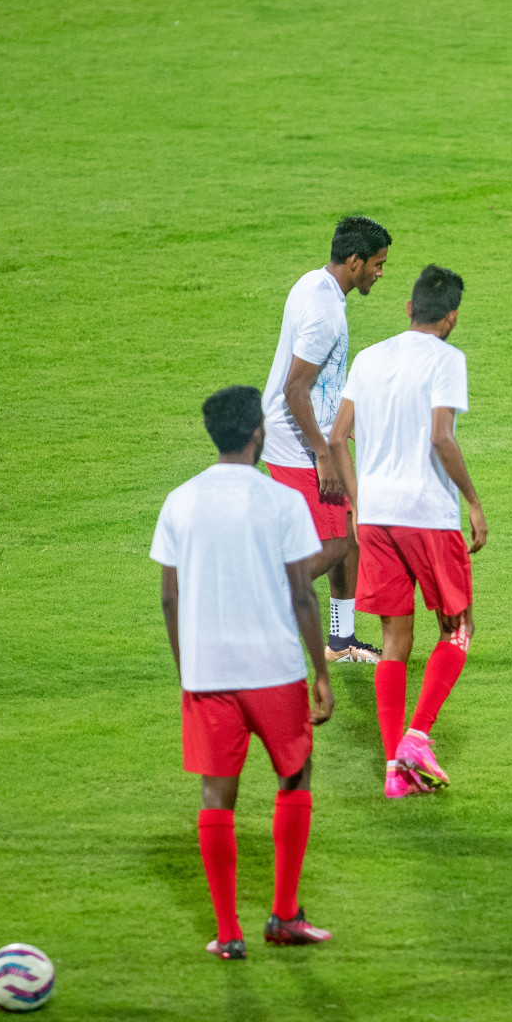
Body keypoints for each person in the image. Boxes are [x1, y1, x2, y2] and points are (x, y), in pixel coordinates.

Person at [151, 386, 336, 961]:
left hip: (209, 675)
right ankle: (283, 915)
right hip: (274, 670)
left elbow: (169, 598)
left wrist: (189, 672)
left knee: (216, 796)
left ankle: (228, 933)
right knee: (295, 775)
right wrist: (321, 673)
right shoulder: (280, 501)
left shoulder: (180, 501)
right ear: (258, 432)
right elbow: (304, 594)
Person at [328, 265, 487, 798]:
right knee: (456, 632)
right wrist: (473, 500)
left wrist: (356, 499)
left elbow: (337, 436)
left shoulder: (369, 358)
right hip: (427, 514)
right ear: (451, 317)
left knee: (395, 643)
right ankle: (416, 738)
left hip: (375, 517)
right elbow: (442, 435)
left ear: (407, 309)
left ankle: (396, 768)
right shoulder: (448, 359)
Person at [261, 215, 391, 663]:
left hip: (309, 432)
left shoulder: (314, 284)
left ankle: (341, 639)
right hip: (299, 442)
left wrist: (340, 424)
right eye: (376, 264)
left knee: (347, 538)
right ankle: (261, 602)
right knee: (333, 543)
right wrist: (322, 451)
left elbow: (316, 383)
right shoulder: (325, 312)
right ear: (354, 261)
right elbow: (295, 388)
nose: (380, 272)